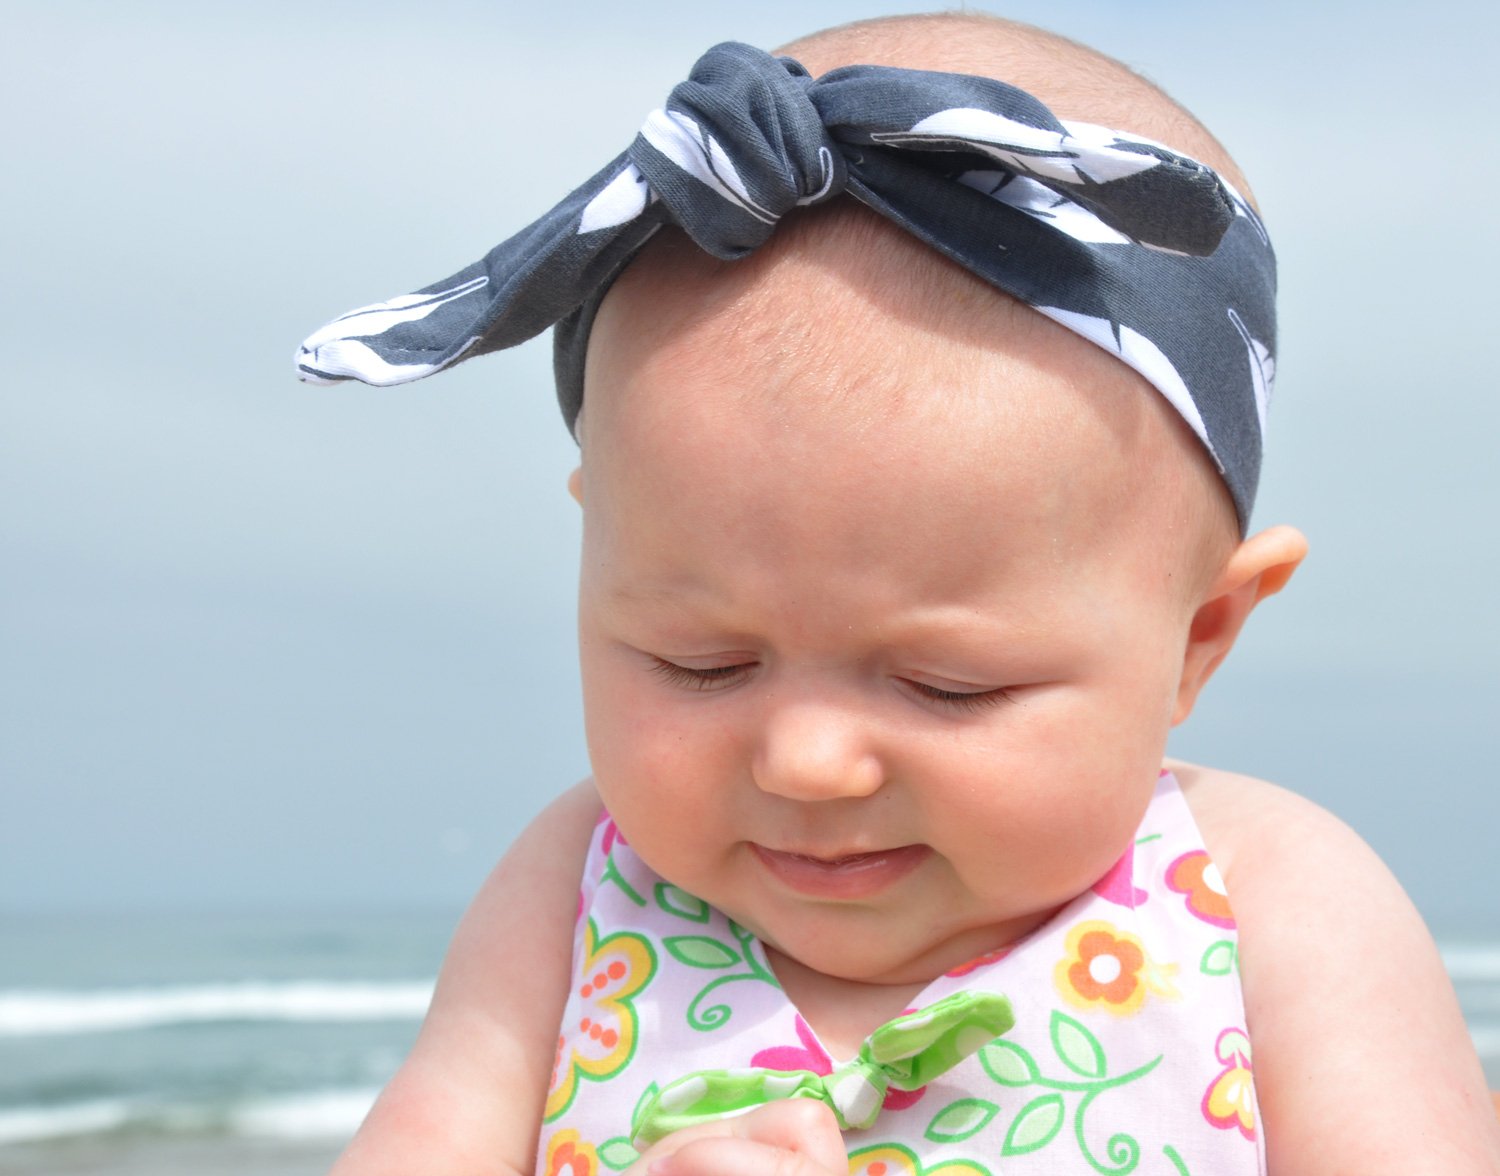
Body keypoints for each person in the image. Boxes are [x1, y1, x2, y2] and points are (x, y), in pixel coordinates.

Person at [298, 12, 1500, 1175]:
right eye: (697, 661)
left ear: (1199, 635)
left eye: (948, 685)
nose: (808, 762)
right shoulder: (575, 889)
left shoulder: (1273, 903)